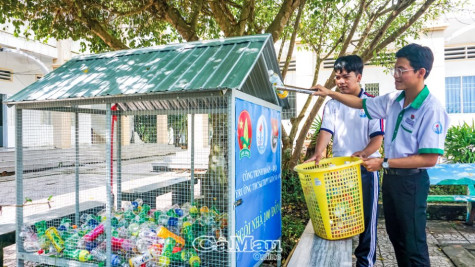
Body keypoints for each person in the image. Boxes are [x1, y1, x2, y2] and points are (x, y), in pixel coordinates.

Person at [312, 44, 449, 267]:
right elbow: (360, 103)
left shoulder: (431, 108)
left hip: (411, 182)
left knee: (413, 244)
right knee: (397, 239)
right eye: (395, 69)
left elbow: (429, 159)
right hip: (392, 179)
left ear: (420, 72)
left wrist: (383, 161)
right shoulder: (393, 100)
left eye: (401, 70)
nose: (395, 75)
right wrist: (329, 93)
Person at [305, 55, 384, 267]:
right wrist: (319, 152)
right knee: (340, 217)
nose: (340, 81)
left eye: (345, 77)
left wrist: (365, 153)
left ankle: (364, 263)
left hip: (366, 170)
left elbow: (377, 138)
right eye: (337, 77)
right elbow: (325, 130)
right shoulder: (332, 105)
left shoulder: (372, 103)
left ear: (358, 76)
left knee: (368, 222)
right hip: (340, 173)